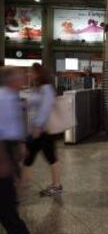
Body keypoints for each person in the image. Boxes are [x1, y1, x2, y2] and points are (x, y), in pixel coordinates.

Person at [21, 63, 62, 197]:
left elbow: (45, 109)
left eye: (31, 72)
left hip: (44, 130)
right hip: (38, 130)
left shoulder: (46, 89)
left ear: (38, 73)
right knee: (32, 158)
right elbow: (33, 103)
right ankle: (22, 187)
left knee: (44, 157)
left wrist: (38, 127)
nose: (28, 74)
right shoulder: (38, 88)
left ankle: (21, 189)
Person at [0, 67, 30, 234]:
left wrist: (21, 143)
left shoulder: (12, 96)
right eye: (20, 77)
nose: (24, 80)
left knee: (8, 205)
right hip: (3, 152)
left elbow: (15, 122)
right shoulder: (3, 98)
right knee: (8, 212)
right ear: (11, 80)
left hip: (9, 149)